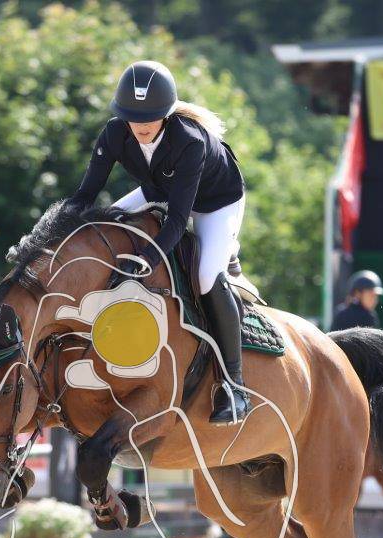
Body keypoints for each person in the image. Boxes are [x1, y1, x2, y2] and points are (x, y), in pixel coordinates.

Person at [68, 60, 251, 424]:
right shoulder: (114, 133)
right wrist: (47, 231)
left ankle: (235, 387)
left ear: (166, 114)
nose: (141, 126)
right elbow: (84, 196)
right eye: (132, 117)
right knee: (103, 225)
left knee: (205, 276)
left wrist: (143, 261)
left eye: (150, 117)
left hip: (215, 204)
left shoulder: (189, 141)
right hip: (162, 190)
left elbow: (179, 222)